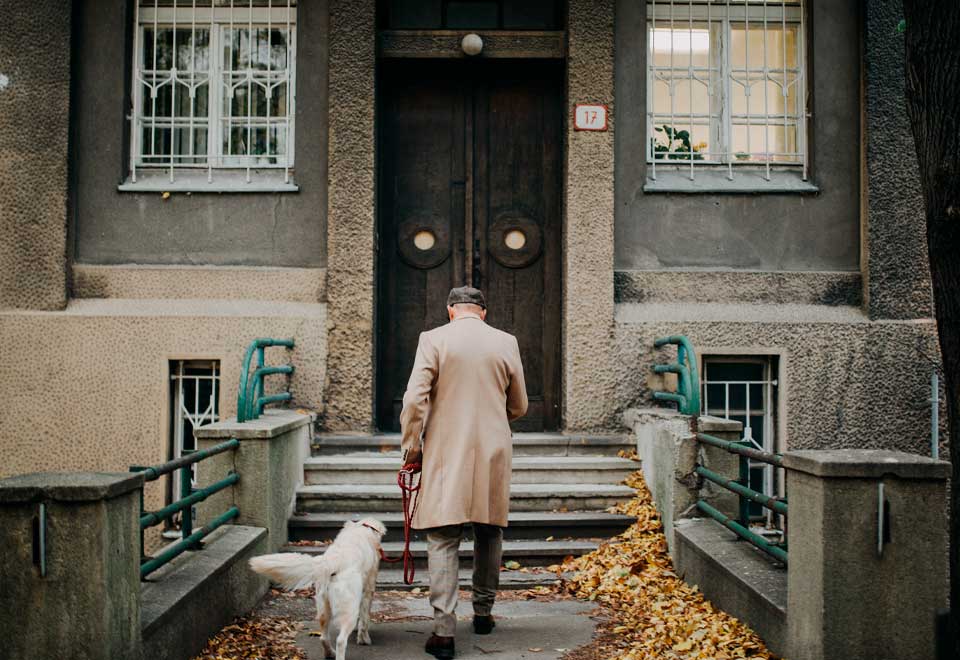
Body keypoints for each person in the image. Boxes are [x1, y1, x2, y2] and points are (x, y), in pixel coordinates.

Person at [400, 285, 528, 660]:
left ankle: (443, 632)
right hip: (492, 450)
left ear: (451, 310)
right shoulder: (506, 341)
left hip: (444, 451)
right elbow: (518, 403)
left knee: (442, 537)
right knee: (490, 531)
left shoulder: (433, 339)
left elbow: (414, 398)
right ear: (483, 312)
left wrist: (413, 448)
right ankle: (484, 613)